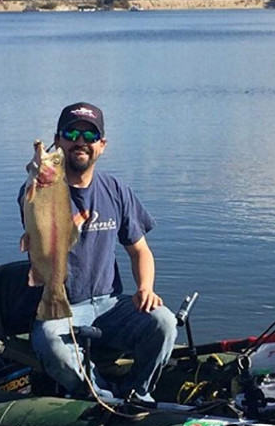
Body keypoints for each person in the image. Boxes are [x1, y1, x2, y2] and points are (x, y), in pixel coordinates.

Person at [18, 102, 178, 403]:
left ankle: (138, 393)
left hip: (110, 303)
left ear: (101, 145)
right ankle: (102, 397)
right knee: (50, 341)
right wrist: (37, 176)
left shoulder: (116, 190)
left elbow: (140, 251)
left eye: (89, 136)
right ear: (58, 140)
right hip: (61, 304)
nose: (80, 141)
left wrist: (145, 288)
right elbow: (33, 210)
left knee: (165, 322)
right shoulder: (39, 187)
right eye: (71, 133)